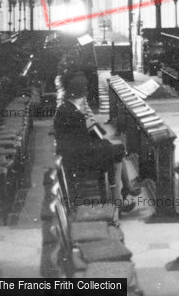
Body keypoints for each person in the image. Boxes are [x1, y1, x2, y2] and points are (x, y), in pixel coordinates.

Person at [53, 74, 140, 212]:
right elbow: (85, 142)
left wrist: (101, 141)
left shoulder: (66, 108)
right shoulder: (74, 114)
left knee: (116, 150)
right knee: (115, 153)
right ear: (82, 95)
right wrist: (102, 142)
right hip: (77, 159)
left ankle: (126, 188)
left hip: (73, 154)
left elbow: (83, 139)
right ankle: (118, 199)